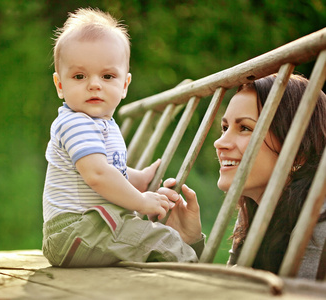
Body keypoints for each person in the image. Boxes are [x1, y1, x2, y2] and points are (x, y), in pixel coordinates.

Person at [42, 8, 204, 268]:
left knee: (151, 238)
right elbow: (97, 174)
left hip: (86, 230)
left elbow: (109, 168)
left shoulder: (100, 124)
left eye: (107, 76)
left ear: (125, 85)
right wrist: (141, 200)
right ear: (60, 85)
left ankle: (186, 272)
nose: (94, 84)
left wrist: (139, 178)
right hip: (78, 229)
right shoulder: (75, 123)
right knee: (162, 241)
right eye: (79, 76)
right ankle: (200, 284)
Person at [158, 74, 326, 279]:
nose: (219, 143)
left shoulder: (319, 216)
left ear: (298, 150)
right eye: (225, 128)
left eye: (245, 128)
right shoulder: (256, 206)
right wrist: (189, 242)